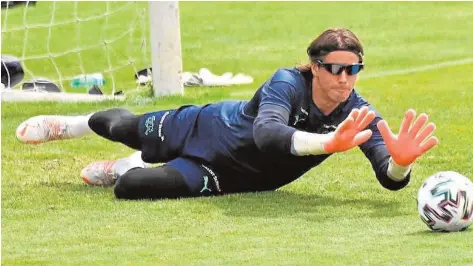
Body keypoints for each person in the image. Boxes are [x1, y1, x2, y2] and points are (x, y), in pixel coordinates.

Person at [16, 28, 439, 200]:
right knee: (124, 127)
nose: (346, 78)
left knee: (131, 186)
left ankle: (127, 165)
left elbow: (389, 175)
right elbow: (267, 134)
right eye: (336, 68)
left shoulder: (359, 112)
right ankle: (69, 125)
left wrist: (400, 166)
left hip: (231, 177)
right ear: (315, 66)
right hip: (205, 126)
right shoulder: (286, 83)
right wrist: (328, 143)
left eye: (354, 70)